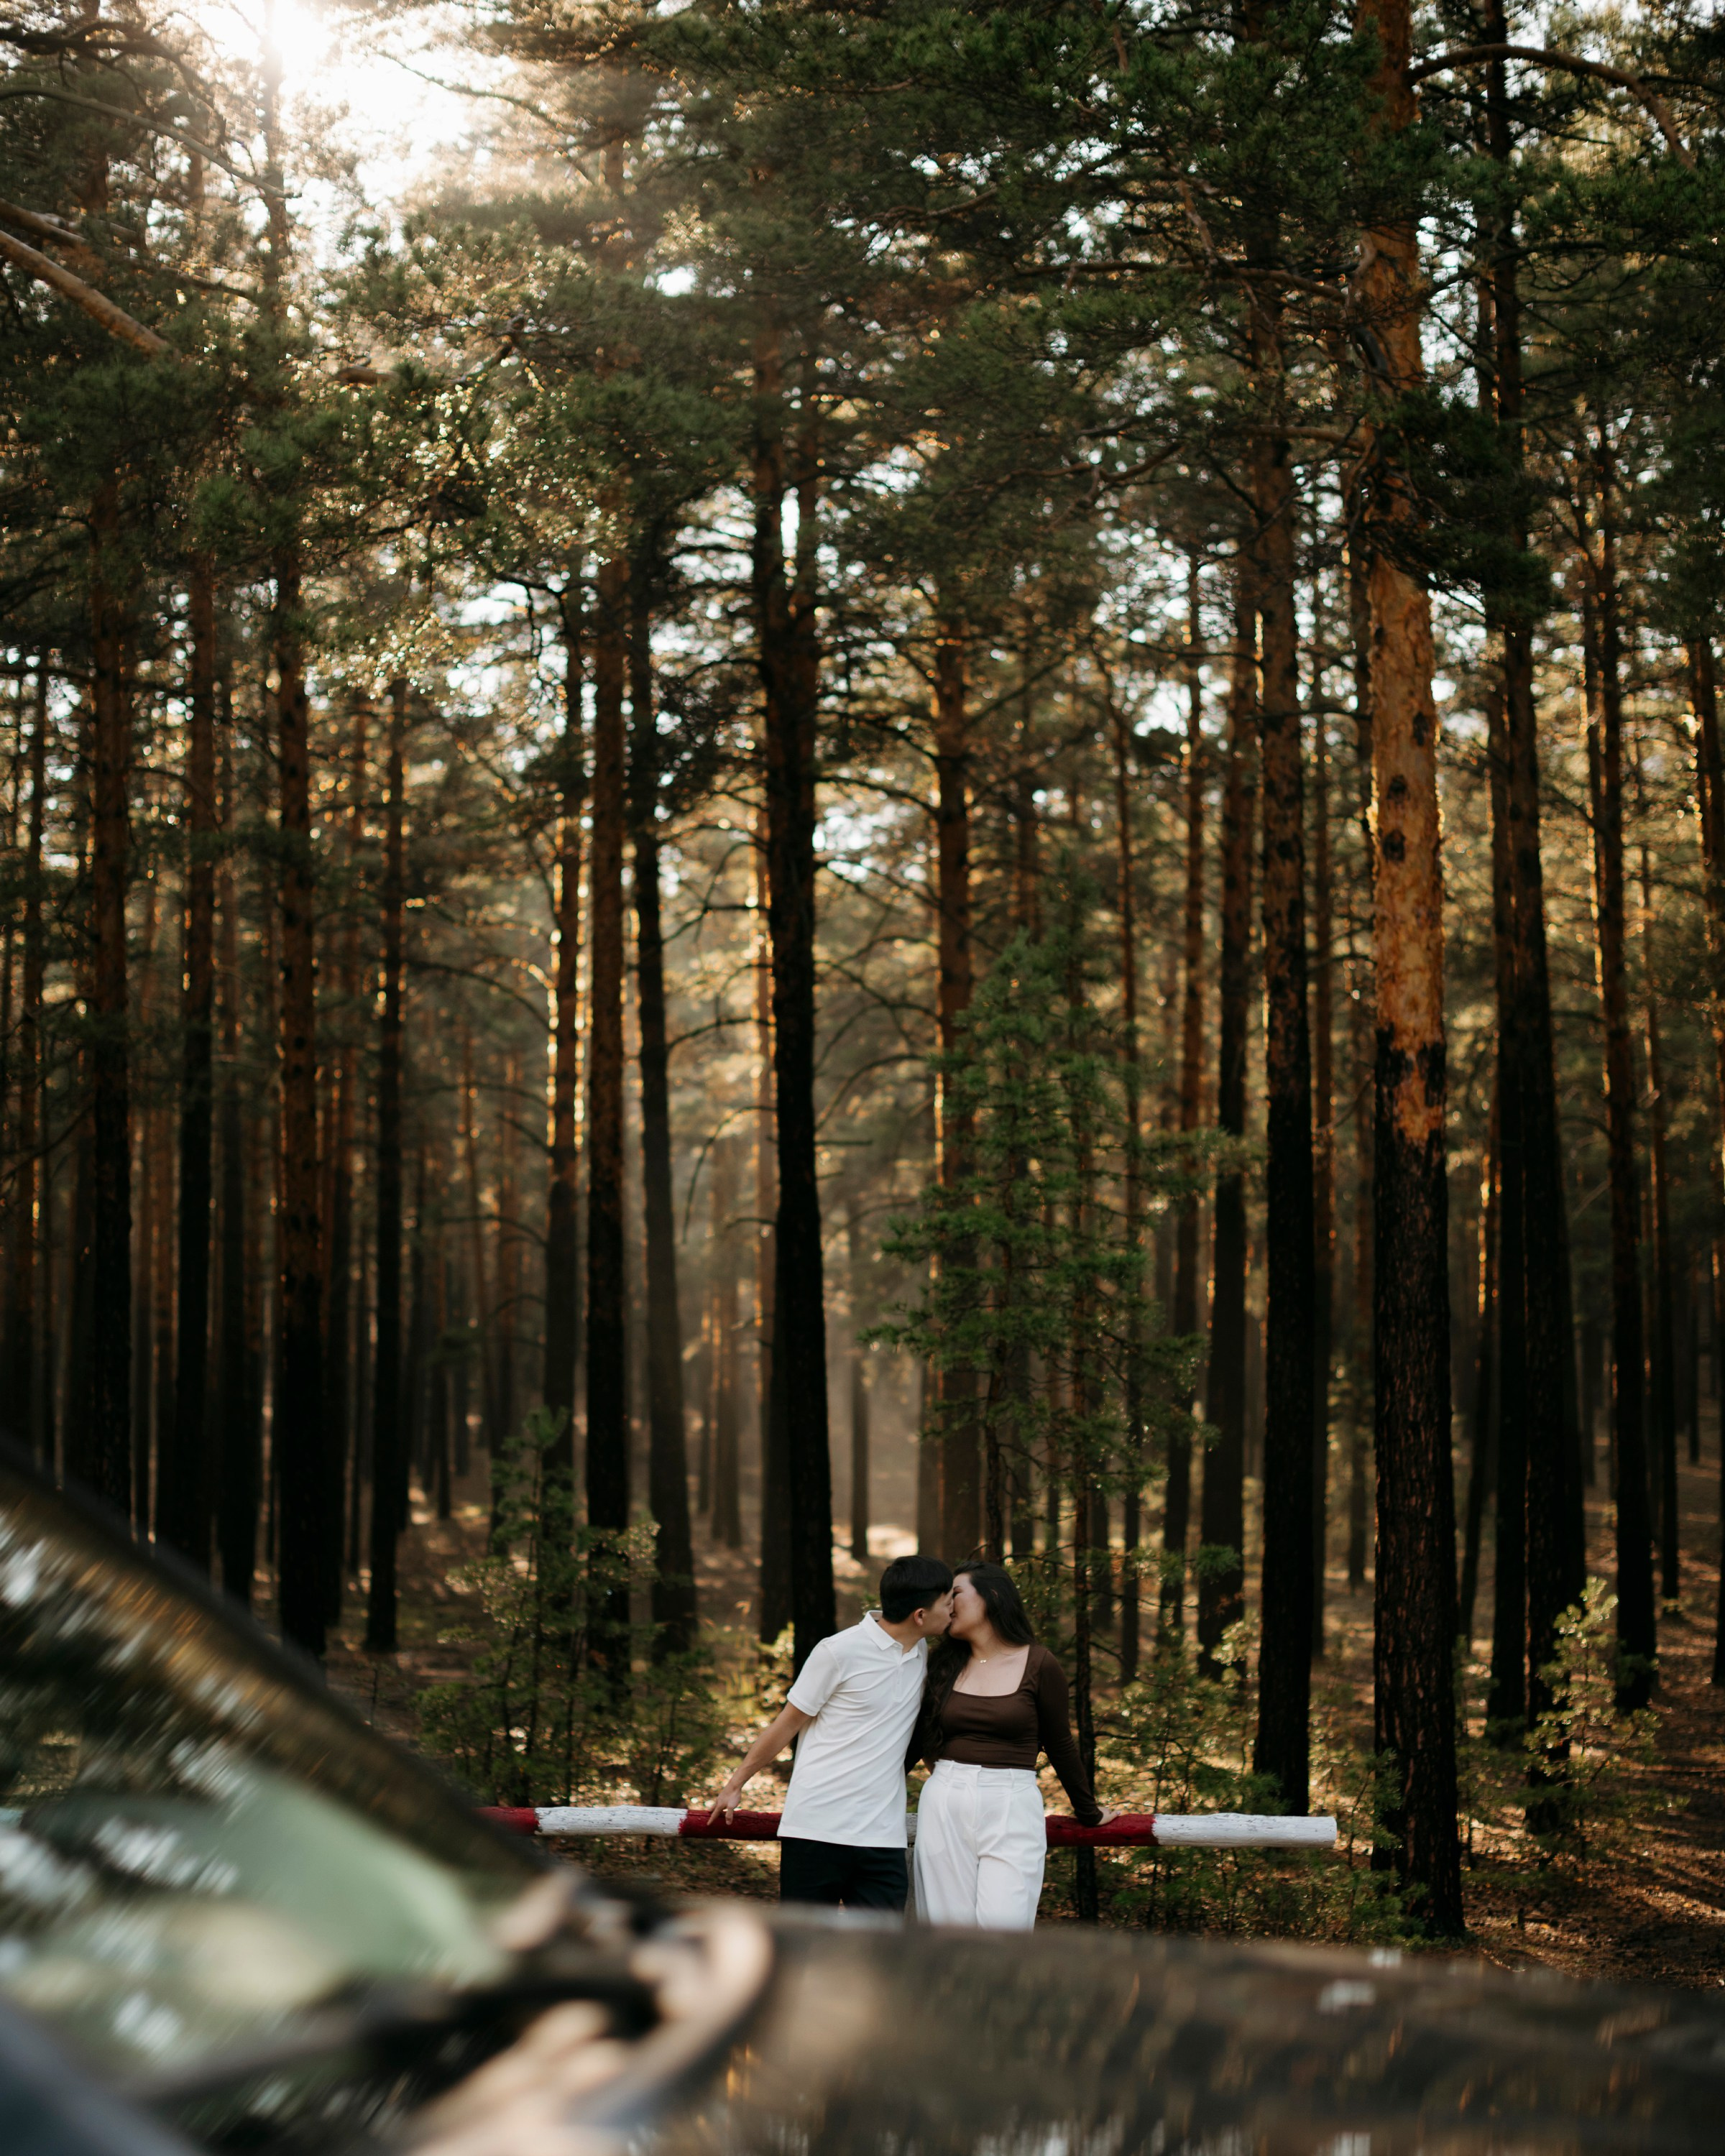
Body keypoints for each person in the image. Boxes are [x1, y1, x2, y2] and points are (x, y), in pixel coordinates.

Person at [708, 1554, 954, 1911]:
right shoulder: (838, 1651)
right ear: (920, 1615)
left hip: (882, 1839)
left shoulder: (923, 1655)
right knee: (802, 1951)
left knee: (878, 1955)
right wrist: (736, 1783)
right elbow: (787, 1723)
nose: (952, 1612)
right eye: (948, 1604)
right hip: (815, 1832)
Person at [909, 1560, 1117, 1930]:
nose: (948, 1604)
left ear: (992, 1596)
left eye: (956, 1593)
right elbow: (916, 1742)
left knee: (1003, 1935)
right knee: (946, 1937)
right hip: (944, 1802)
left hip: (1011, 1804)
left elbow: (1060, 1744)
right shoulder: (941, 1665)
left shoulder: (1039, 1664)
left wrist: (1089, 1812)